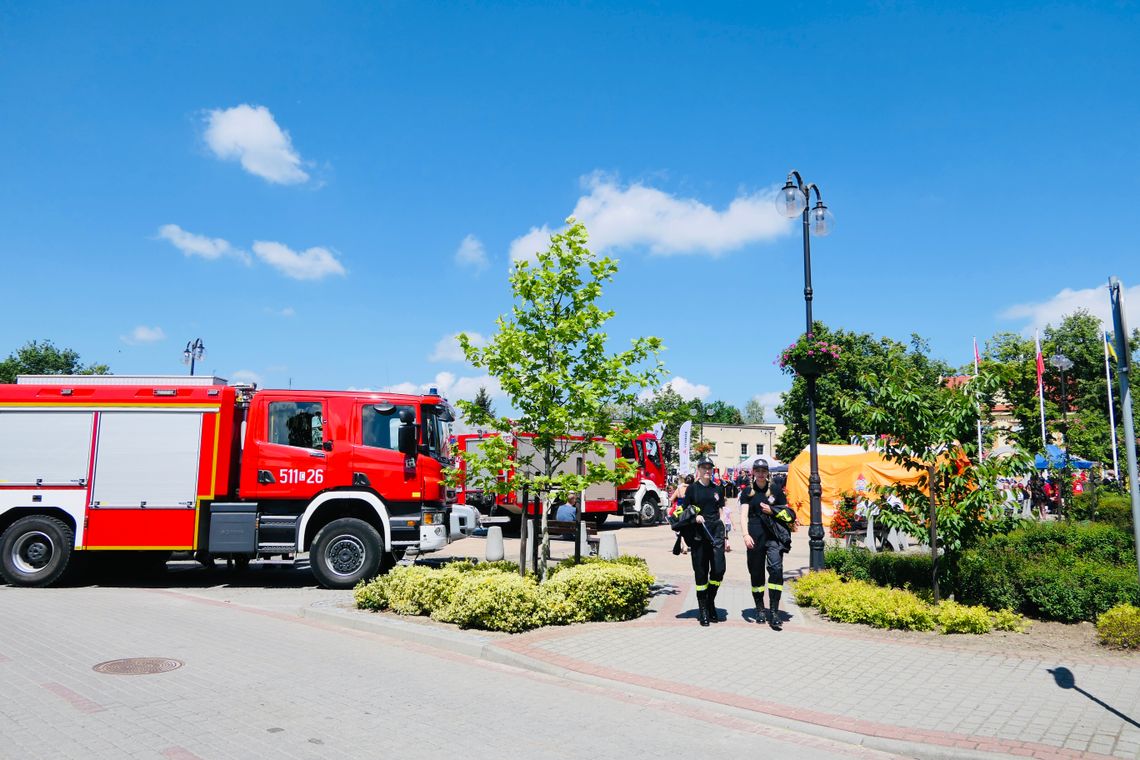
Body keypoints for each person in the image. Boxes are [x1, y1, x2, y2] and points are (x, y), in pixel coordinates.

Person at [738, 461, 794, 631]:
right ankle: (760, 608)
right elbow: (743, 516)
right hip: (755, 536)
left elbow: (786, 511)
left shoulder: (775, 489)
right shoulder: (748, 491)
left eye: (764, 471)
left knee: (776, 570)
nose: (761, 473)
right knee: (756, 574)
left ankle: (775, 611)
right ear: (753, 472)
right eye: (758, 470)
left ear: (768, 472)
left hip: (773, 536)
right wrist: (745, 535)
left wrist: (772, 511)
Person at [686, 457, 727, 626]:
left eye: (709, 468)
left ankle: (710, 600)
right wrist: (695, 516)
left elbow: (722, 512)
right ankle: (703, 609)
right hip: (698, 536)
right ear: (699, 470)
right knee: (701, 573)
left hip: (716, 535)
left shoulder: (717, 489)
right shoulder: (692, 489)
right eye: (704, 468)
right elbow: (684, 510)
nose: (707, 471)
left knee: (719, 570)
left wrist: (726, 536)